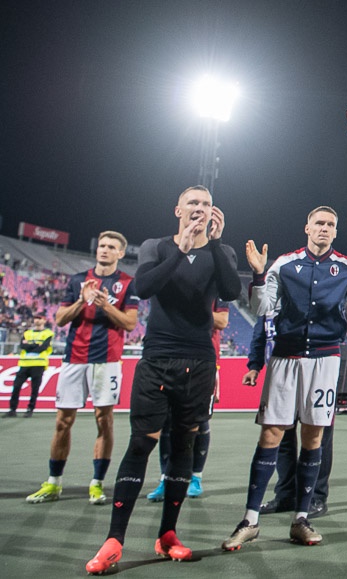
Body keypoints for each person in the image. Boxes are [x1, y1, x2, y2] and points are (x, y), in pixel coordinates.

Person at [86, 186, 242, 574]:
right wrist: (182, 248)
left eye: (207, 204)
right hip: (157, 358)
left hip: (200, 361)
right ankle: (114, 540)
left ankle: (168, 534)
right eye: (193, 203)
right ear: (178, 209)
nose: (200, 209)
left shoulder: (221, 252)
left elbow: (231, 291)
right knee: (142, 442)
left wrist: (216, 244)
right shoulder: (156, 246)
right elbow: (144, 288)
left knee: (185, 443)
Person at [222, 206, 347, 551]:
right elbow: (262, 308)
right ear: (307, 227)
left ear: (336, 232)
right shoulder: (282, 264)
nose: (324, 229)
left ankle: (301, 518)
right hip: (285, 356)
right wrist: (256, 274)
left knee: (314, 436)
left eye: (330, 225)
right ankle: (250, 519)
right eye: (319, 223)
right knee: (271, 434)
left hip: (325, 360)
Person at [27, 232, 139, 505]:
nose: (104, 250)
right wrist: (81, 300)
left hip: (107, 362)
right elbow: (60, 319)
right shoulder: (77, 280)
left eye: (111, 247)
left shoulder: (127, 283)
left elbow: (129, 323)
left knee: (105, 420)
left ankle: (97, 484)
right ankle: (53, 483)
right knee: (62, 422)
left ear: (120, 253)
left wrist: (103, 305)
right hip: (73, 359)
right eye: (101, 245)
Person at [241, 252, 335, 518]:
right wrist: (254, 366)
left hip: (316, 369)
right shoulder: (269, 303)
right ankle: (285, 495)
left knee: (319, 436)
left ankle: (317, 497)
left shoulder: (308, 301)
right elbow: (260, 335)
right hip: (280, 372)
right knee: (281, 439)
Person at [147, 295, 229, 501]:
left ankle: (195, 478)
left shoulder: (216, 285)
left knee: (200, 422)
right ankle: (166, 478)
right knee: (167, 421)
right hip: (170, 358)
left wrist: (188, 307)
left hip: (205, 362)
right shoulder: (172, 282)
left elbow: (221, 321)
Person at [7, 313, 54, 417]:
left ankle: (30, 409)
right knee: (16, 386)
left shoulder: (48, 333)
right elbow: (22, 346)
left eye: (39, 318)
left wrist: (30, 345)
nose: (37, 320)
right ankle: (12, 409)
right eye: (35, 318)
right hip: (24, 364)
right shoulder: (27, 332)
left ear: (44, 321)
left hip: (39, 364)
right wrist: (36, 345)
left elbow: (43, 347)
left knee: (34, 389)